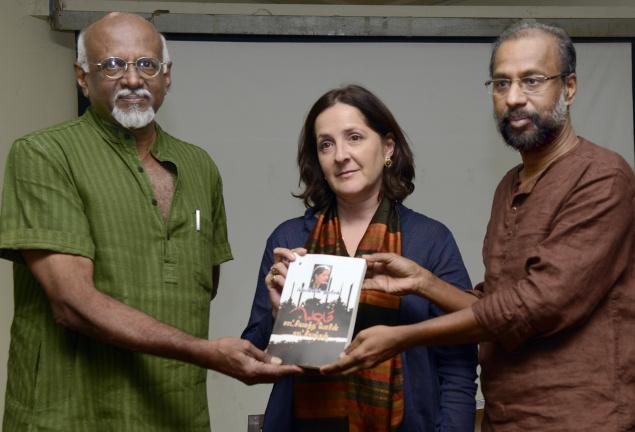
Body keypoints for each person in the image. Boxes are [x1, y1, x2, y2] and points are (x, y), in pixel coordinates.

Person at [322, 21, 635, 432]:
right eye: (501, 83)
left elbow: (534, 308)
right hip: (505, 416)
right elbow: (497, 305)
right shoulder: (510, 185)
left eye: (532, 80)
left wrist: (403, 337)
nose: (514, 98)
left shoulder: (602, 175)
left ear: (570, 87)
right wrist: (422, 282)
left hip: (580, 417)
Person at [0, 12, 299, 431]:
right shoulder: (44, 155)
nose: (133, 79)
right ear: (82, 78)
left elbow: (200, 290)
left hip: (176, 415)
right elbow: (71, 304)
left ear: (167, 76)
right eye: (112, 65)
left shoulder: (200, 167)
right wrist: (205, 352)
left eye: (146, 65)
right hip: (72, 415)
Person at [242, 84, 478, 432]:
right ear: (318, 160)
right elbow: (254, 354)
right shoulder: (289, 239)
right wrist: (280, 315)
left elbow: (458, 364)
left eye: (354, 137)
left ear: (387, 148)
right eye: (326, 144)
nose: (340, 155)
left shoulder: (430, 239)